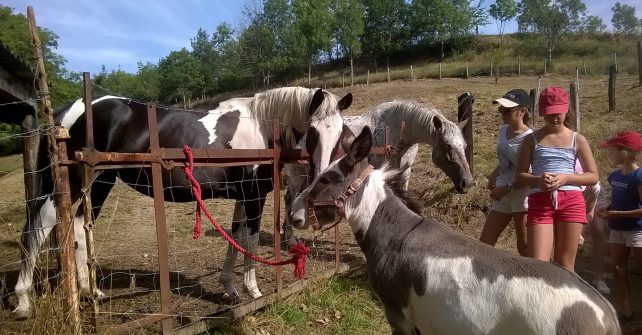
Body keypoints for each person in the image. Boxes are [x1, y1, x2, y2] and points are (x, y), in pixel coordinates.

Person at [515, 86, 599, 272]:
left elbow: (593, 176)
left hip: (571, 201)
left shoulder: (578, 139)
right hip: (540, 201)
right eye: (549, 114)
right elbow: (520, 175)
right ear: (541, 113)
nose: (554, 118)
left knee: (566, 267)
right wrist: (538, 180)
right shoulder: (532, 139)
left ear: (566, 109)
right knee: (538, 265)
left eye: (558, 113)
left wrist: (565, 178)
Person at [480, 89, 532, 256]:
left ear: (523, 111)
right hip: (503, 192)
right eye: (500, 109)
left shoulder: (530, 138)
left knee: (524, 246)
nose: (502, 113)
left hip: (521, 194)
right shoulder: (503, 131)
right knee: (485, 242)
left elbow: (530, 174)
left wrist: (507, 188)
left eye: (507, 110)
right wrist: (494, 176)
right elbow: (504, 160)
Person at [598, 131, 642, 319]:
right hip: (618, 228)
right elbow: (617, 201)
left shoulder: (639, 177)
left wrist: (617, 214)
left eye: (613, 150)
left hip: (637, 229)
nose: (610, 154)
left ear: (626, 152)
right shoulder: (614, 176)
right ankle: (626, 308)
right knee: (617, 267)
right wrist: (608, 209)